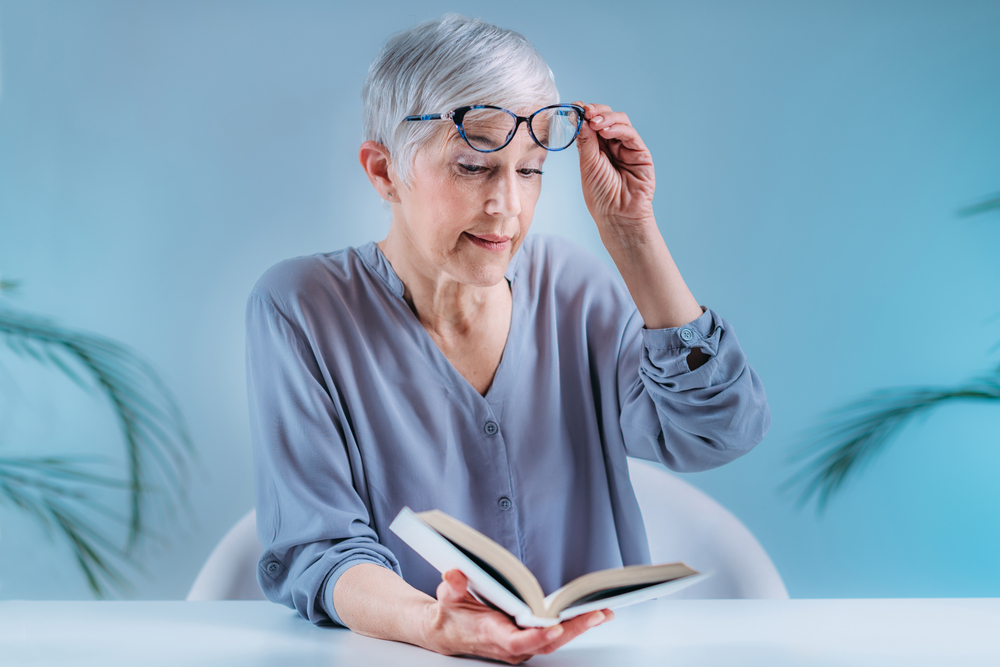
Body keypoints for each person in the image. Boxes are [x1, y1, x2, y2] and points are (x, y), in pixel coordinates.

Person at [246, 14, 770, 664]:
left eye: (528, 171)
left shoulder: (571, 287)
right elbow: (319, 549)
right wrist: (434, 626)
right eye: (472, 167)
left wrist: (633, 237)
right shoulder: (302, 308)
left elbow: (718, 431)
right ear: (383, 172)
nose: (507, 206)